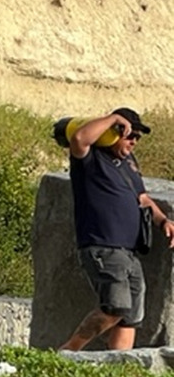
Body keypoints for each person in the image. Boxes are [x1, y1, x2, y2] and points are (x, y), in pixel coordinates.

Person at [61, 108, 174, 351]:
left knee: (131, 315)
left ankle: (119, 366)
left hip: (129, 251)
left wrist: (163, 221)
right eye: (129, 134)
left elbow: (142, 198)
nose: (134, 141)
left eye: (138, 137)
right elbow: (79, 139)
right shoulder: (90, 158)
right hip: (103, 246)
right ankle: (68, 352)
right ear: (112, 134)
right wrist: (112, 120)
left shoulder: (129, 164)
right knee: (116, 306)